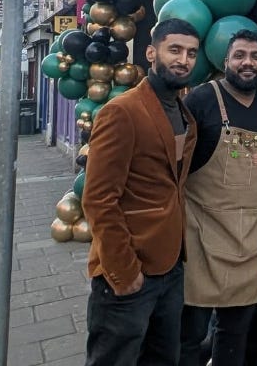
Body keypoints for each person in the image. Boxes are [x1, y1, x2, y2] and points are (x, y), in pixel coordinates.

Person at [82, 19, 201, 366]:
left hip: (170, 268)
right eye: (174, 50)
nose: (183, 60)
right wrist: (124, 272)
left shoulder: (184, 114)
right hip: (129, 271)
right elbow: (98, 199)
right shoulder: (121, 112)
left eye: (191, 53)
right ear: (151, 53)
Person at [180, 29, 257, 366]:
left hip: (250, 239)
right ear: (225, 61)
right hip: (201, 236)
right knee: (188, 336)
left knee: (235, 334)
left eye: (256, 57)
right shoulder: (201, 100)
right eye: (239, 56)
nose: (248, 63)